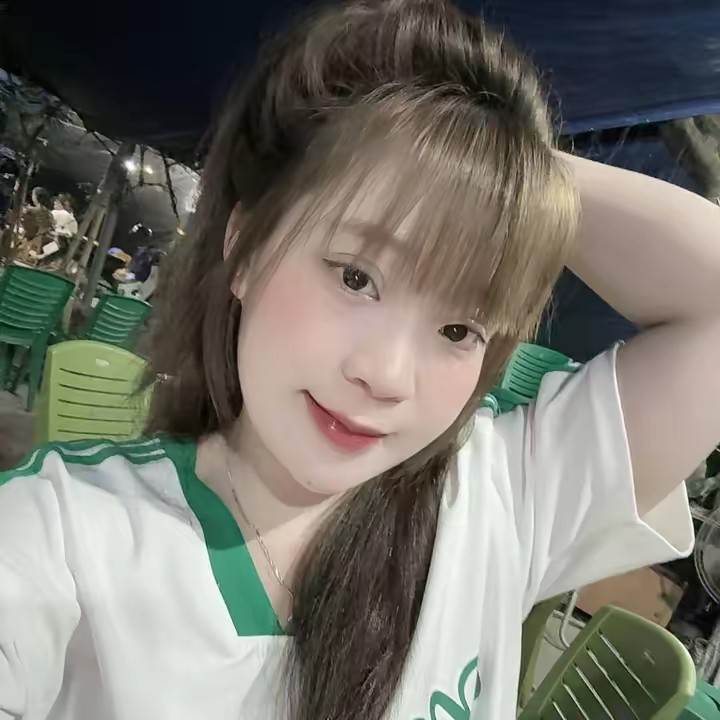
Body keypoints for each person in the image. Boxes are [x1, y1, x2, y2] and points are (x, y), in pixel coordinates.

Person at [0, 1, 716, 719]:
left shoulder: (499, 498)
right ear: (245, 246)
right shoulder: (64, 533)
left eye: (459, 328)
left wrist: (492, 159)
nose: (387, 376)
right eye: (355, 277)